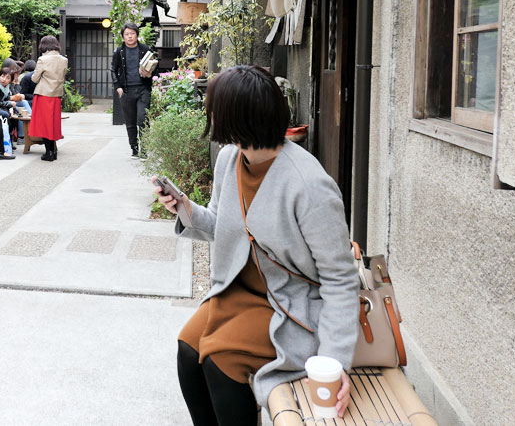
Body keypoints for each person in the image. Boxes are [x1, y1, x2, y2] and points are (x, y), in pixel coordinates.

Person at [154, 65, 357, 425]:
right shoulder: (232, 159)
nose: (209, 114)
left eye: (215, 108)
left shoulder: (309, 186)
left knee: (220, 359)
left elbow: (340, 280)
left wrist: (335, 359)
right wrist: (184, 206)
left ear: (239, 118)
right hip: (239, 291)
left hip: (292, 305)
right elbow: (221, 223)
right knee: (188, 349)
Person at [110, 22, 154, 158]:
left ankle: (144, 149)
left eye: (132, 33)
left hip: (143, 89)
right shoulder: (119, 51)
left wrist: (150, 72)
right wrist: (117, 86)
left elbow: (154, 65)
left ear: (137, 34)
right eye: (127, 34)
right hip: (126, 90)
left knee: (143, 119)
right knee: (130, 121)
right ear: (123, 36)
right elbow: (113, 69)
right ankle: (134, 148)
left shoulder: (145, 49)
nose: (129, 37)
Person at [28, 35, 67, 162]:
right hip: (56, 95)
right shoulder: (63, 60)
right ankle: (53, 151)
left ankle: (49, 152)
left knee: (44, 124)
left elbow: (34, 78)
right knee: (53, 124)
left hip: (43, 94)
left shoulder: (42, 59)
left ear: (43, 45)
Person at [0, 66, 26, 145]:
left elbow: (7, 99)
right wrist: (9, 104)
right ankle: (6, 141)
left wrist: (10, 107)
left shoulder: (7, 87)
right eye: (2, 76)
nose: (4, 79)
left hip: (2, 106)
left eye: (7, 78)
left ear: (10, 80)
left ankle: (10, 139)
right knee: (6, 114)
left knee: (16, 114)